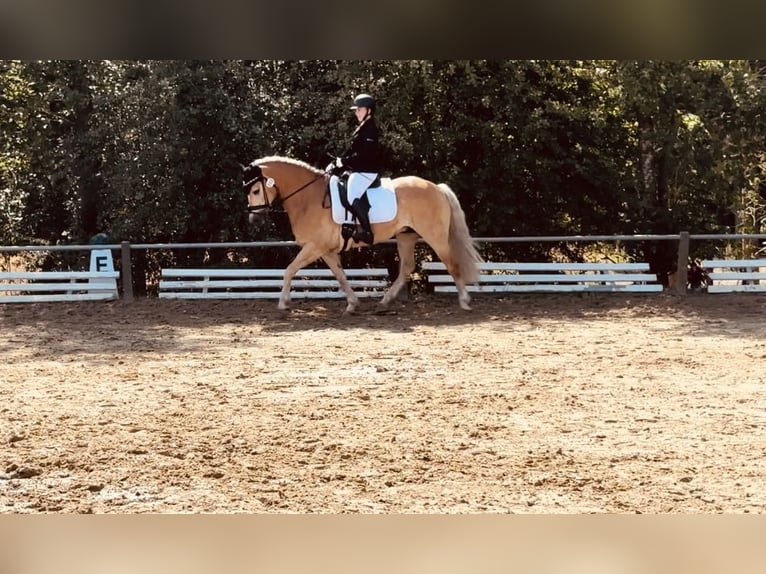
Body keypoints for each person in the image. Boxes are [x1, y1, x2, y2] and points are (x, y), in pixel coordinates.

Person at [332, 93, 381, 245]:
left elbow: (364, 154)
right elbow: (353, 149)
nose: (356, 112)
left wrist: (345, 161)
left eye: (359, 109)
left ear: (369, 111)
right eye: (356, 110)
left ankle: (367, 232)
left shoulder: (370, 130)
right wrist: (339, 160)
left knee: (352, 195)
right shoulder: (362, 127)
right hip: (359, 169)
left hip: (367, 171)